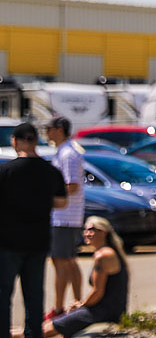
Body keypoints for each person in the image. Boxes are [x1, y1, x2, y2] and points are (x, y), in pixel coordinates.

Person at [0, 122, 67, 338]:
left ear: (15, 141)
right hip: (38, 242)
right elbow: (62, 202)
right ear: (36, 140)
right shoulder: (50, 172)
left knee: (3, 299)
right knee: (34, 298)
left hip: (7, 243)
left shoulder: (6, 171)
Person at [11, 216, 129, 338]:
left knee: (43, 331)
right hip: (107, 310)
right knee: (46, 325)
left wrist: (81, 305)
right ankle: (7, 332)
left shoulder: (103, 255)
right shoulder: (109, 252)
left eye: (92, 230)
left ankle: (6, 335)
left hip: (102, 313)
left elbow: (97, 292)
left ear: (104, 232)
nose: (87, 233)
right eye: (85, 230)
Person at [45, 116, 86, 321]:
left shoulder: (68, 154)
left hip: (65, 216)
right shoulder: (65, 151)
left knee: (62, 262)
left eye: (48, 128)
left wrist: (47, 196)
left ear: (59, 129)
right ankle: (75, 306)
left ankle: (61, 309)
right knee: (66, 261)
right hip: (65, 216)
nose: (46, 133)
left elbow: (72, 185)